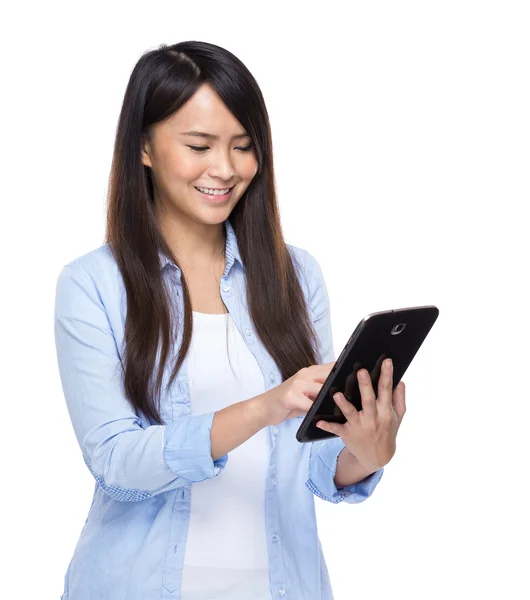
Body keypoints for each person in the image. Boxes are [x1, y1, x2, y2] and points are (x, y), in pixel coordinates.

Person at [54, 40, 406, 600]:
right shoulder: (94, 285)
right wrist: (263, 407)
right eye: (199, 145)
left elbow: (317, 465)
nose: (224, 169)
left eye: (243, 147)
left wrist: (366, 451)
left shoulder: (295, 275)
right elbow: (116, 462)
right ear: (144, 147)